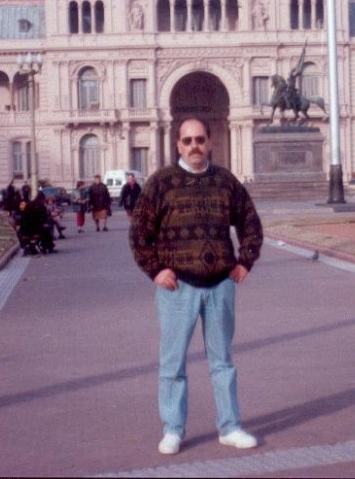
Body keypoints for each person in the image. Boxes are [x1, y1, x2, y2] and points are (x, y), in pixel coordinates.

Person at [129, 117, 263, 456]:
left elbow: (250, 221)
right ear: (178, 144)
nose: (194, 146)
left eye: (199, 139)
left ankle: (229, 427)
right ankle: (173, 429)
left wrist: (246, 260)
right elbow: (139, 232)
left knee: (223, 363)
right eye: (187, 141)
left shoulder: (225, 181)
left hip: (220, 285)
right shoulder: (161, 183)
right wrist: (156, 270)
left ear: (210, 141)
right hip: (177, 288)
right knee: (172, 363)